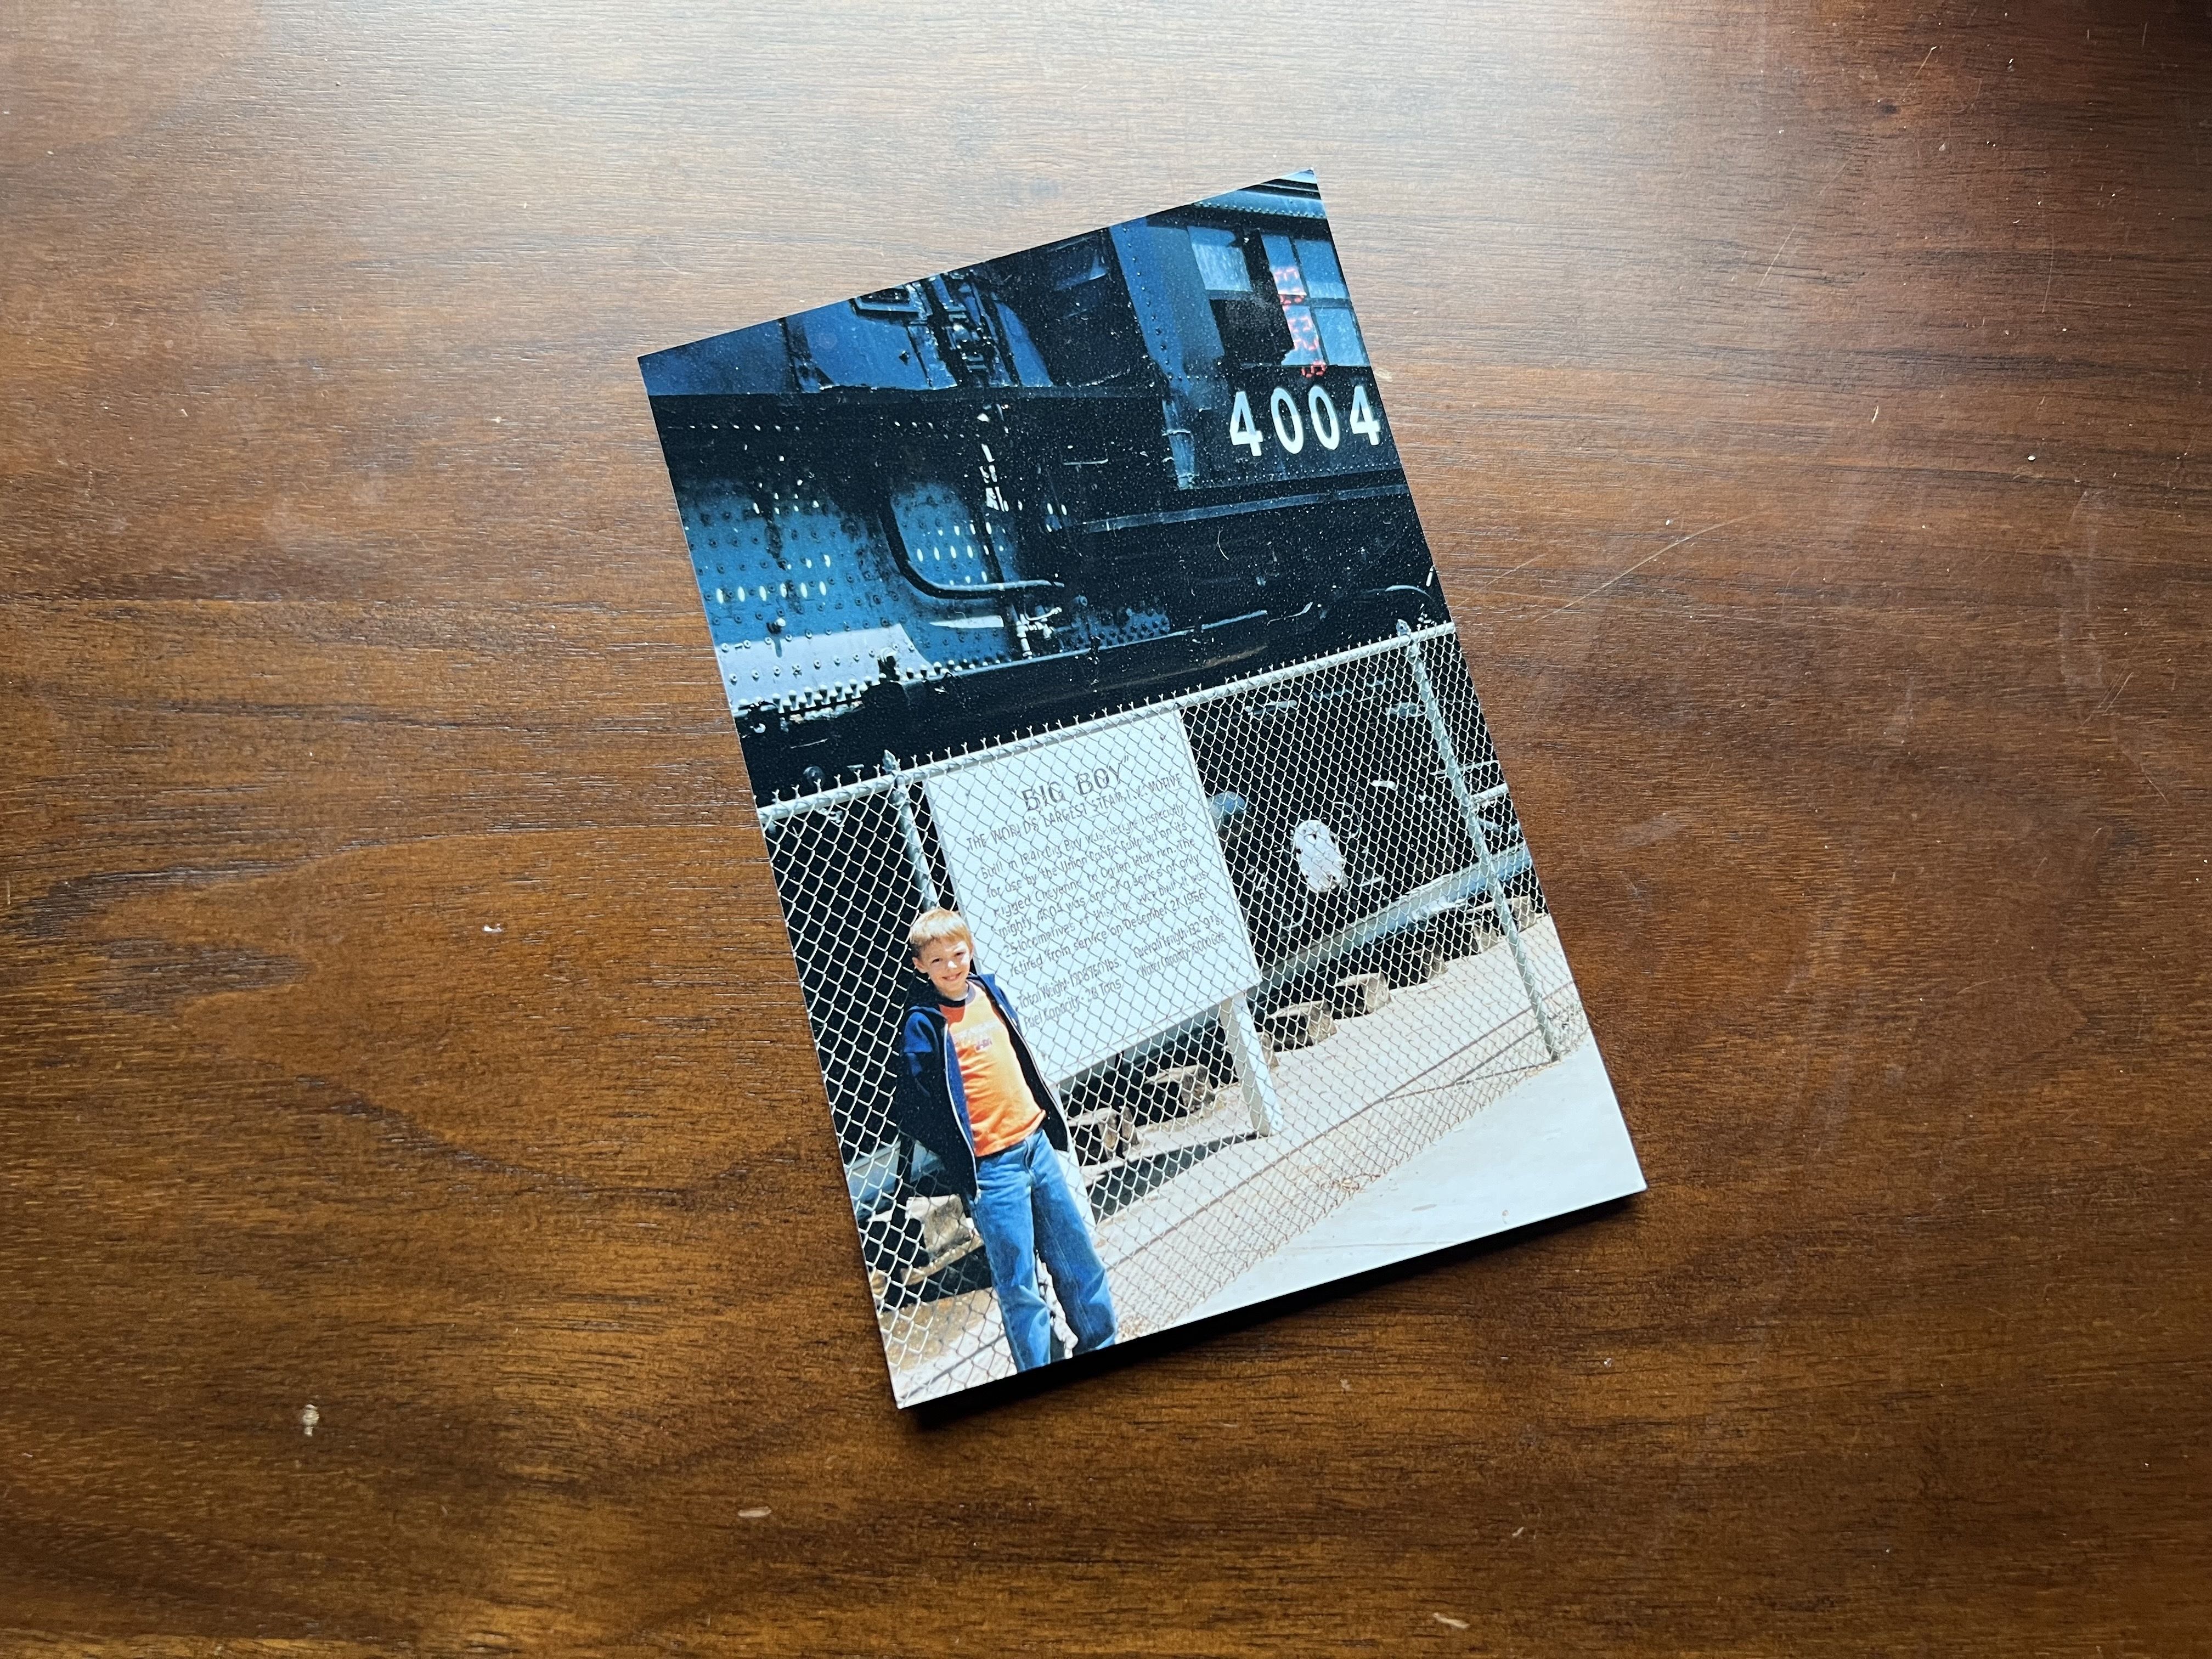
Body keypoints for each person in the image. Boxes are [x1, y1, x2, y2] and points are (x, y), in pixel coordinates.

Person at [890, 908, 1118, 1370]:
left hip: (1036, 1146)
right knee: (1020, 1284)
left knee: (1078, 1259)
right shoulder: (922, 1023)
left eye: (958, 954)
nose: (952, 967)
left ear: (969, 948)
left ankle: (1101, 1342)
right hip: (993, 1170)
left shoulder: (988, 991)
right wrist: (963, 1151)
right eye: (938, 962)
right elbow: (914, 1107)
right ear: (921, 966)